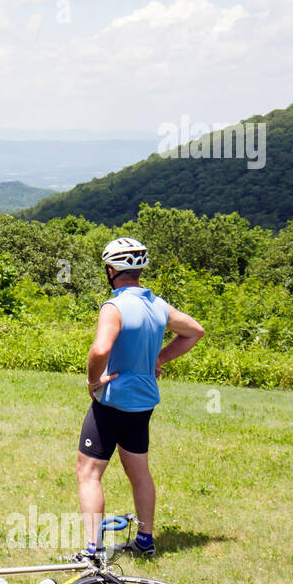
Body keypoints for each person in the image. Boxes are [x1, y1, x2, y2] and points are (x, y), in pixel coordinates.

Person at [73, 238, 204, 561]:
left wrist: (92, 381)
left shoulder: (113, 306)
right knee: (139, 472)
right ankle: (145, 539)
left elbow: (100, 349)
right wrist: (158, 359)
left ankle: (93, 549)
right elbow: (194, 331)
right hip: (143, 404)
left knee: (88, 472)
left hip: (112, 401)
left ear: (111, 270)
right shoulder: (158, 305)